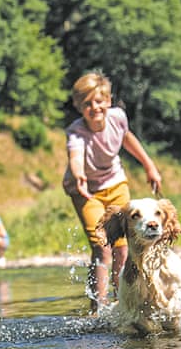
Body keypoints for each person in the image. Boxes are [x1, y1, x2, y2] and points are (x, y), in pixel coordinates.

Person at [62, 72, 162, 311]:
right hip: (86, 191)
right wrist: (78, 174)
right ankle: (98, 307)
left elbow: (128, 139)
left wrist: (150, 166)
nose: (94, 107)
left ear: (108, 100)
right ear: (78, 106)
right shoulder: (76, 132)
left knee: (123, 246)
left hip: (115, 183)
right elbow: (75, 157)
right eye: (87, 103)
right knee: (102, 245)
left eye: (98, 101)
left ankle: (122, 301)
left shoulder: (117, 117)